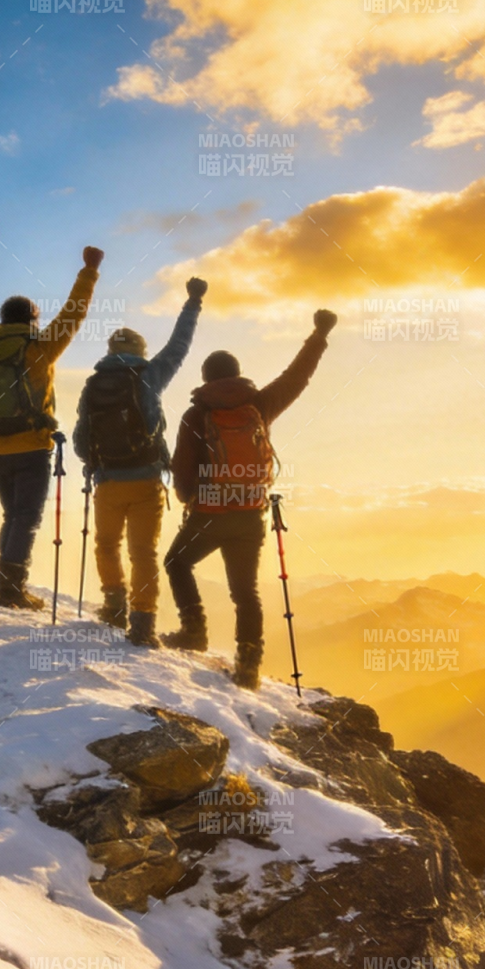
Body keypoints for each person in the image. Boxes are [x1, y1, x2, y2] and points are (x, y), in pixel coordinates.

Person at [164, 309, 337, 689]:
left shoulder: (197, 415)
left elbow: (182, 469)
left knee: (177, 563)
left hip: (207, 514)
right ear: (237, 373)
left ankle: (193, 630)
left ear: (206, 379)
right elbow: (298, 376)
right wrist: (319, 334)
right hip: (249, 515)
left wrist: (187, 498)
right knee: (245, 591)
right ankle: (248, 664)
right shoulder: (259, 406)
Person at [0, 246, 102, 609]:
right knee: (27, 517)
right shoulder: (40, 347)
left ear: (1, 320)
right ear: (33, 320)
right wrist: (88, 271)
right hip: (34, 447)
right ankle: (10, 588)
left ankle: (6, 581)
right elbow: (74, 314)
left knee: (14, 515)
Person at [72, 277, 206, 647]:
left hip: (108, 482)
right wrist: (193, 302)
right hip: (146, 479)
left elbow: (81, 438)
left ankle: (114, 605)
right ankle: (143, 624)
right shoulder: (149, 375)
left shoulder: (93, 384)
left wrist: (97, 464)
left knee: (106, 544)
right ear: (140, 351)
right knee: (143, 552)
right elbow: (179, 346)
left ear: (110, 349)